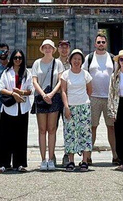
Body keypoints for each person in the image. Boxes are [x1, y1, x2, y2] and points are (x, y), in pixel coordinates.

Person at [0, 50, 33, 173]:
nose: (18, 60)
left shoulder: (27, 73)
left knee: (21, 137)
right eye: (16, 58)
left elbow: (30, 90)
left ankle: (20, 163)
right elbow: (1, 89)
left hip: (22, 108)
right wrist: (13, 94)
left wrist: (21, 92)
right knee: (5, 137)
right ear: (12, 59)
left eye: (20, 58)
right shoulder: (6, 72)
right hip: (9, 108)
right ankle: (3, 164)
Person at [83, 33, 118, 165]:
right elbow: (84, 75)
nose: (101, 44)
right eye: (99, 42)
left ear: (106, 44)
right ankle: (88, 155)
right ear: (95, 44)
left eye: (103, 42)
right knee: (92, 127)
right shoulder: (90, 58)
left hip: (109, 98)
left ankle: (115, 155)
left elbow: (117, 76)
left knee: (111, 127)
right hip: (94, 98)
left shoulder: (112, 58)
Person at [32, 39, 64, 171]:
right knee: (42, 130)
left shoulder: (58, 63)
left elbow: (61, 80)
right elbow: (34, 80)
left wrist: (51, 94)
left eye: (49, 47)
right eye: (45, 47)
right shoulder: (36, 63)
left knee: (52, 129)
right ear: (42, 49)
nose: (47, 50)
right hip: (41, 97)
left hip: (54, 97)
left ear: (53, 49)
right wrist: (43, 95)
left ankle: (51, 158)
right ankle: (43, 159)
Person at [60, 49, 93, 172]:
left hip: (83, 106)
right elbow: (63, 91)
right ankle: (71, 161)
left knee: (84, 133)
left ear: (82, 61)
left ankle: (84, 161)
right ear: (70, 60)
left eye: (79, 59)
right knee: (70, 133)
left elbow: (90, 90)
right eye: (74, 59)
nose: (77, 61)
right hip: (70, 106)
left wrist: (83, 101)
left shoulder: (86, 74)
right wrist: (67, 107)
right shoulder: (65, 74)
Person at [56, 39, 71, 166]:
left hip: (69, 100)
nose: (64, 49)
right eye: (62, 47)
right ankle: (51, 155)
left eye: (66, 47)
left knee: (68, 128)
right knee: (52, 128)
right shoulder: (54, 63)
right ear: (58, 49)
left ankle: (67, 155)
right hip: (55, 99)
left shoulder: (74, 63)